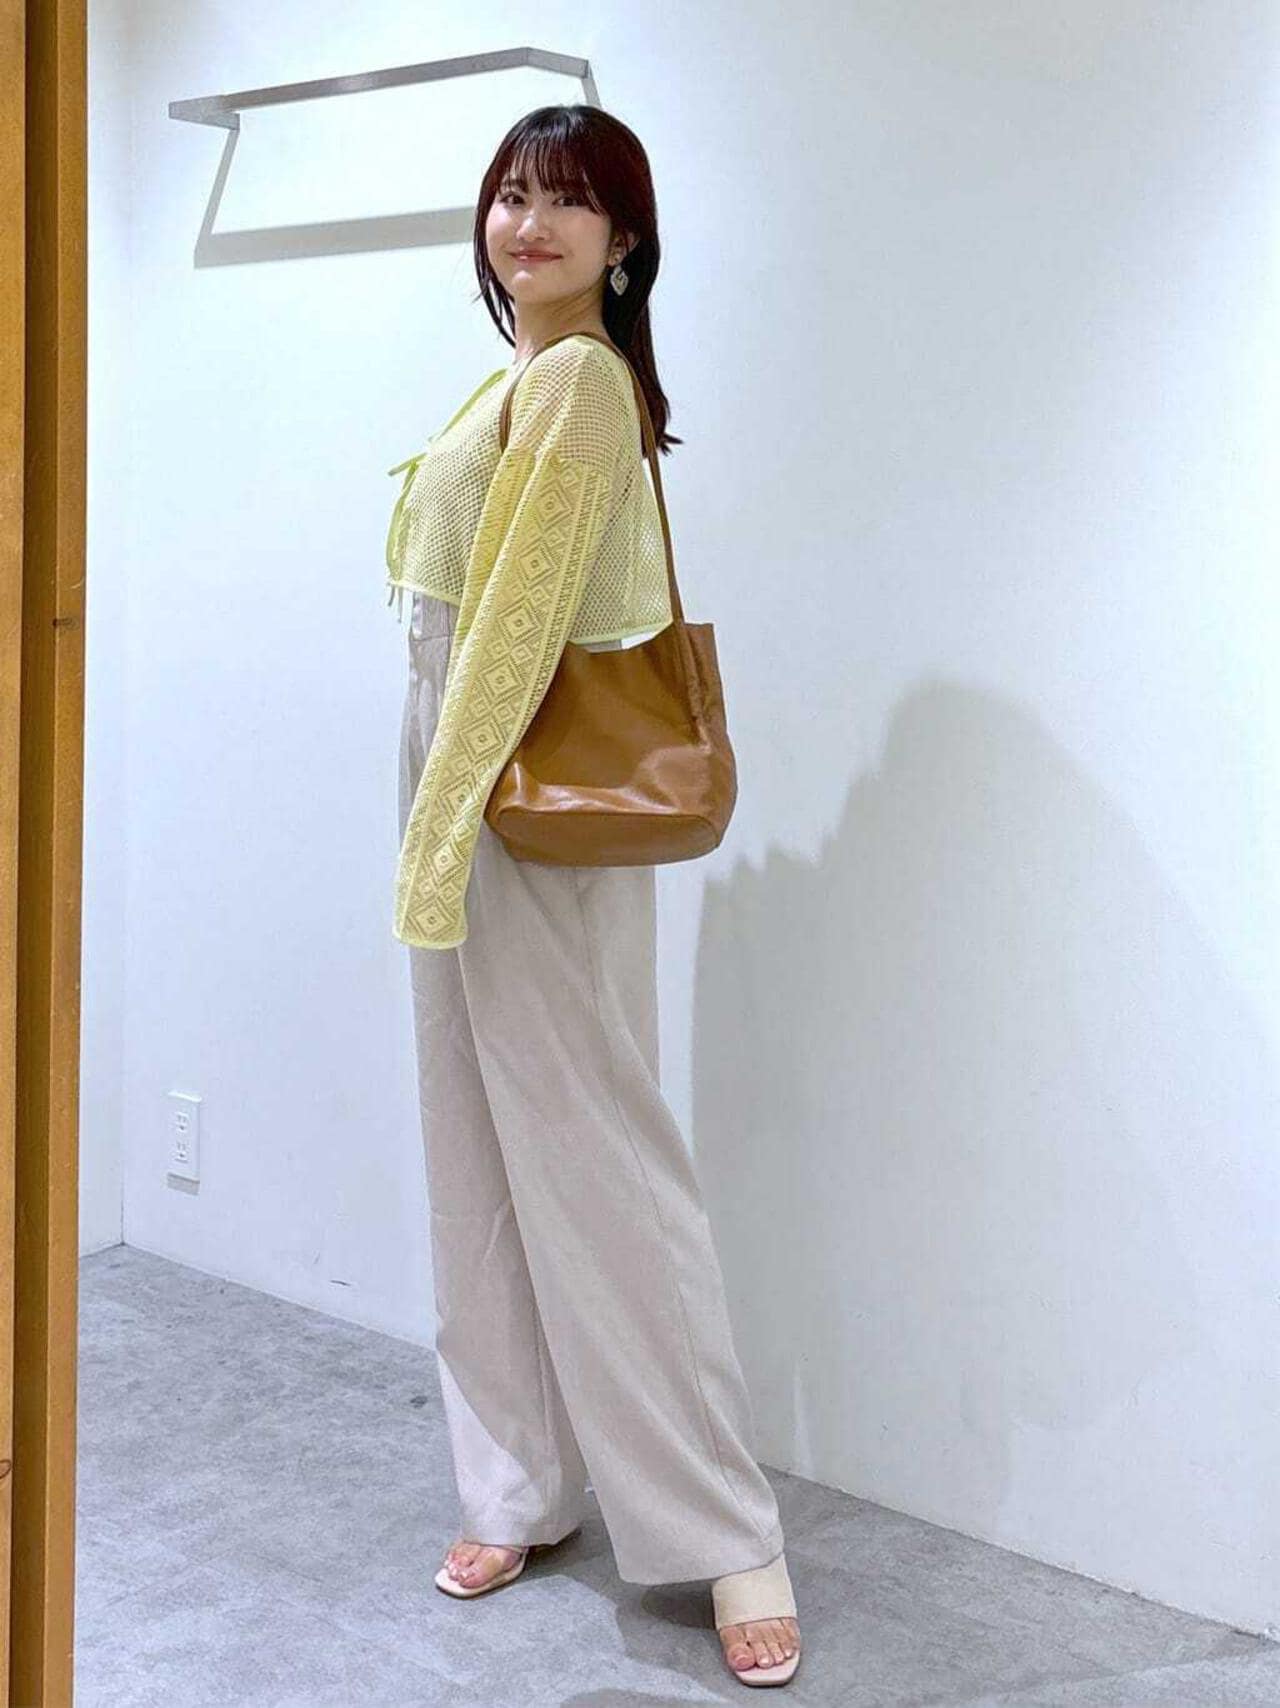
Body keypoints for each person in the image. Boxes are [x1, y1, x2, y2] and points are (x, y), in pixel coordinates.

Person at [385, 102, 802, 1688]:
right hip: (458, 773)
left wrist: (441, 835)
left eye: (570, 201)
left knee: (600, 1161)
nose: (531, 221)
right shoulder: (518, 376)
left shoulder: (578, 383)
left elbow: (511, 635)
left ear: (626, 242)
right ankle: (518, 1486)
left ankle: (728, 1535)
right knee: (478, 1154)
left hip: (512, 788)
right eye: (513, 193)